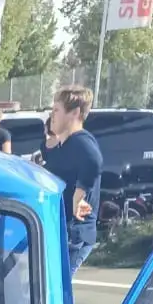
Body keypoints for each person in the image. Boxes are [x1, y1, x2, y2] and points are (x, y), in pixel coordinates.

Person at [39, 86, 102, 274]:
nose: (52, 115)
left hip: (74, 236)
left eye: (56, 110)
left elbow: (94, 161)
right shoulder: (64, 144)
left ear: (74, 113)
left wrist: (78, 196)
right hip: (62, 231)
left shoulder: (80, 141)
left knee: (55, 287)